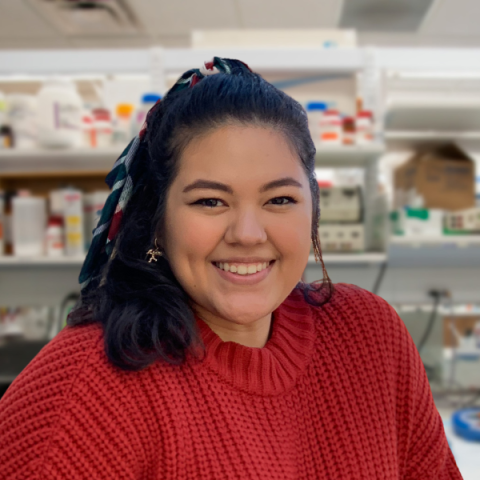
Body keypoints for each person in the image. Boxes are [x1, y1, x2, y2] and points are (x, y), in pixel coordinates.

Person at [0, 58, 462, 479]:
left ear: (313, 211)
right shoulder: (84, 391)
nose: (247, 233)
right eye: (210, 201)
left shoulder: (371, 337)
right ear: (158, 220)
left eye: (279, 199)